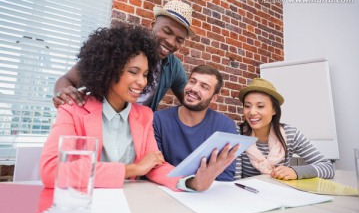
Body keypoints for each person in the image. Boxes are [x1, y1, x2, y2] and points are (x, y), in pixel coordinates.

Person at [40, 23, 236, 192]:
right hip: (84, 201)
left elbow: (154, 166)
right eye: (134, 72)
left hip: (132, 205)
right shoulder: (74, 109)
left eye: (145, 74)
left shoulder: (144, 115)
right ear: (109, 70)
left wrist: (192, 183)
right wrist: (131, 169)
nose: (142, 82)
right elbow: (51, 171)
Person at [52, 0, 193, 111]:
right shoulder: (121, 51)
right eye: (167, 31)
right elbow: (66, 79)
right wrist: (63, 94)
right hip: (99, 124)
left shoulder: (173, 67)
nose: (171, 42)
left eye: (179, 40)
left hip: (137, 134)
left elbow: (190, 102)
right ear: (153, 24)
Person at [154, 65, 239, 185]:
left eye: (204, 87)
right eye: (192, 81)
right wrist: (190, 183)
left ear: (214, 98)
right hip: (166, 190)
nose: (194, 89)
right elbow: (155, 167)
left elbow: (224, 176)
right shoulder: (158, 120)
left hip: (207, 195)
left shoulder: (225, 126)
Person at [237, 78, 335, 180]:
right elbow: (234, 179)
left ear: (274, 110)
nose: (252, 112)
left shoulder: (290, 134)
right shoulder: (237, 134)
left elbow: (327, 167)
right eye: (247, 106)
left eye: (260, 106)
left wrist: (296, 172)